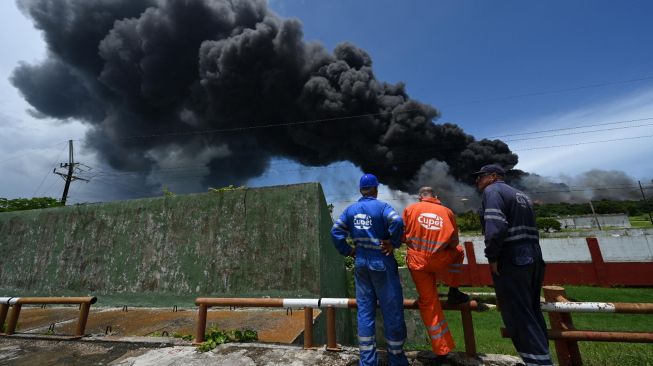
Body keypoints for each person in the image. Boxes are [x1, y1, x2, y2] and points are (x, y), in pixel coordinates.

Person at [474, 164, 553, 366]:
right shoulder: (521, 195)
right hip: (534, 257)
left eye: (480, 177)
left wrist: (492, 257)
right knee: (532, 311)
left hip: (512, 257)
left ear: (492, 176)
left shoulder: (492, 191)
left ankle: (539, 363)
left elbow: (495, 228)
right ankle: (543, 357)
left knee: (519, 314)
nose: (477, 181)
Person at [331, 173, 409, 366]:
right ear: (375, 189)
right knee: (392, 310)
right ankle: (396, 358)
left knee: (364, 312)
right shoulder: (382, 208)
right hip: (382, 264)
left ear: (360, 190)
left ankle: (367, 361)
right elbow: (397, 222)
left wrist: (348, 251)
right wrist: (393, 242)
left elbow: (336, 232)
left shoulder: (350, 210)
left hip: (361, 265)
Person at [402, 186, 470, 358]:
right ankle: (453, 290)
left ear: (420, 197)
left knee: (429, 303)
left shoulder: (410, 210)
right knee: (460, 251)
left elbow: (400, 236)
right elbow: (454, 242)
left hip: (417, 264)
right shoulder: (447, 212)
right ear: (436, 196)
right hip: (440, 261)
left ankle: (442, 350)